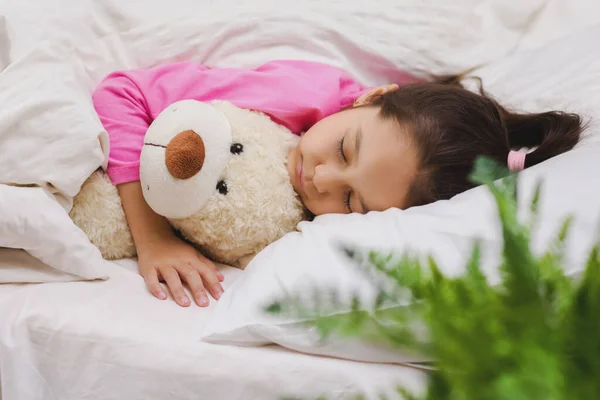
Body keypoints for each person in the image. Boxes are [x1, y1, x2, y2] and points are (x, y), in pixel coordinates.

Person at [92, 60, 584, 308]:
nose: (321, 178)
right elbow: (122, 92)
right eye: (346, 149)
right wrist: (153, 237)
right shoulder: (299, 95)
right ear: (370, 97)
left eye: (351, 201)